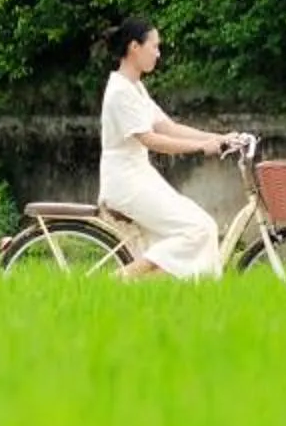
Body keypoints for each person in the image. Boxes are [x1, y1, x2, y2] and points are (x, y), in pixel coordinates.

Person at [97, 14, 256, 280]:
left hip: (139, 176)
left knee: (199, 228)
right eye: (154, 46)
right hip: (125, 182)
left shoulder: (135, 88)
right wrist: (199, 148)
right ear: (134, 47)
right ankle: (121, 279)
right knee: (198, 229)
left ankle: (166, 288)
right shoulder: (120, 92)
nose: (158, 54)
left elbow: (168, 127)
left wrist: (217, 138)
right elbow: (151, 139)